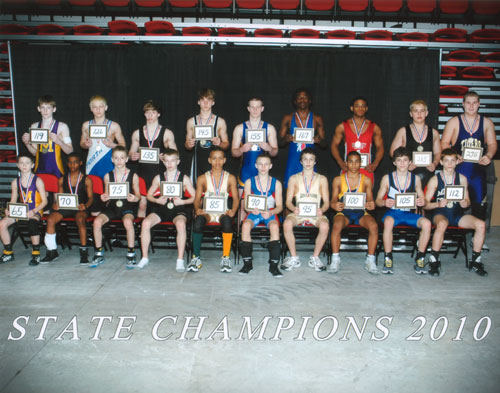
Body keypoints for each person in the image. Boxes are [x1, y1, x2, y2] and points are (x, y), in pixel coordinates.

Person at [424, 148, 487, 277]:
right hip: (440, 214)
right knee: (442, 224)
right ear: (441, 162)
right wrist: (437, 204)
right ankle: (434, 259)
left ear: (457, 162)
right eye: (446, 161)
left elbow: (468, 201)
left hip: (457, 215)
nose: (450, 164)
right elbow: (425, 205)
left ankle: (475, 261)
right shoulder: (435, 180)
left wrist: (466, 203)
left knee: (481, 224)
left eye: (453, 160)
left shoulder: (462, 179)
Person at [440, 91, 497, 221]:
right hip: (459, 170)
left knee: (479, 207)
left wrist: (488, 155)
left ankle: (477, 240)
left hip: (478, 171)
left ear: (479, 104)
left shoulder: (487, 123)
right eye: (468, 103)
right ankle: (451, 236)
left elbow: (493, 143)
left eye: (474, 103)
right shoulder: (454, 122)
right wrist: (454, 155)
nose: (471, 106)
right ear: (463, 104)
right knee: (453, 205)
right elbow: (443, 143)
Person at [375, 147, 431, 275]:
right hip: (393, 213)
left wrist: (423, 201)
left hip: (408, 213)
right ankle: (388, 258)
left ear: (410, 162)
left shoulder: (415, 178)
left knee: (427, 224)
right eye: (399, 160)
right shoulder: (387, 178)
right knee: (388, 222)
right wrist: (384, 202)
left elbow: (424, 199)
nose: (402, 163)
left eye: (405, 160)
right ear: (394, 162)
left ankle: (420, 258)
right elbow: (377, 200)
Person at [138, 148, 195, 271]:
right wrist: (156, 200)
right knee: (145, 223)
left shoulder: (184, 178)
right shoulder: (158, 178)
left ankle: (180, 260)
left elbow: (195, 197)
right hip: (161, 208)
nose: (169, 164)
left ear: (178, 162)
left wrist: (183, 201)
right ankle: (144, 257)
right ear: (163, 162)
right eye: (167, 161)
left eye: (172, 161)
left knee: (180, 224)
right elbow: (148, 195)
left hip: (178, 209)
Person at [188, 147, 239, 273]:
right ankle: (196, 258)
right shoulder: (202, 178)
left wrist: (233, 210)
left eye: (220, 158)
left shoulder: (231, 177)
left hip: (223, 211)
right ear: (209, 160)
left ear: (225, 160)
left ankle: (226, 257)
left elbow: (237, 198)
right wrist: (197, 209)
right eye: (214, 158)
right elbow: (197, 198)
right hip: (208, 212)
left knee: (227, 222)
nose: (217, 161)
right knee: (198, 221)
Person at [89, 146, 140, 268]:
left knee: (128, 222)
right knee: (97, 222)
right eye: (116, 158)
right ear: (112, 159)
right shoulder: (107, 176)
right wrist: (104, 198)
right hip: (112, 207)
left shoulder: (133, 175)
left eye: (122, 158)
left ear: (127, 159)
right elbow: (107, 196)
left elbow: (138, 196)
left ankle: (131, 253)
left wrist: (135, 198)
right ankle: (98, 252)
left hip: (127, 206)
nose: (119, 161)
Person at [330, 151, 379, 274]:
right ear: (346, 163)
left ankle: (370, 260)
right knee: (336, 226)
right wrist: (335, 205)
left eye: (356, 161)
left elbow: (371, 201)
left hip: (360, 213)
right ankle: (335, 259)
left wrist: (371, 204)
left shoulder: (366, 180)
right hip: (344, 213)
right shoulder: (338, 180)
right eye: (350, 161)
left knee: (374, 226)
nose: (353, 165)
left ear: (360, 163)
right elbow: (332, 201)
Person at [282, 148, 330, 272]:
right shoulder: (293, 178)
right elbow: (287, 201)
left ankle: (315, 257)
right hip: (299, 213)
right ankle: (293, 257)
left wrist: (322, 210)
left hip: (315, 213)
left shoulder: (322, 179)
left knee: (325, 226)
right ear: (301, 162)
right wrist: (293, 208)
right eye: (305, 159)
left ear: (315, 162)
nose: (308, 162)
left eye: (311, 159)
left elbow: (326, 202)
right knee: (287, 223)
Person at [41, 153, 94, 264]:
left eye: (75, 162)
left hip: (81, 207)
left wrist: (86, 205)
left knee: (80, 219)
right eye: (70, 162)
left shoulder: (87, 179)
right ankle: (52, 251)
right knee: (50, 219)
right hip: (66, 207)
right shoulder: (62, 179)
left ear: (80, 163)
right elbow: (59, 197)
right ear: (67, 164)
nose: (72, 164)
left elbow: (91, 198)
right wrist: (56, 204)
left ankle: (84, 251)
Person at [129, 100, 177, 217]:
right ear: (144, 114)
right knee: (142, 204)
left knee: (161, 206)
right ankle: (141, 233)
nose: (150, 116)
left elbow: (175, 154)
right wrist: (133, 156)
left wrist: (165, 156)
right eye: (147, 112)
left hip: (160, 175)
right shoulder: (137, 133)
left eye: (153, 112)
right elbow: (130, 153)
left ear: (158, 114)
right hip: (143, 174)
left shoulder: (167, 133)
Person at [239, 153, 283, 278]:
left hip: (269, 212)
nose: (263, 167)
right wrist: (251, 210)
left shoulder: (276, 183)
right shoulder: (249, 182)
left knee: (274, 226)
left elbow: (279, 206)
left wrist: (271, 212)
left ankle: (273, 266)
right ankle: (247, 263)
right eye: (260, 164)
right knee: (246, 225)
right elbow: (246, 205)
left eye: (266, 164)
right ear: (256, 165)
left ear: (270, 166)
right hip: (255, 212)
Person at [0, 155, 47, 266]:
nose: (24, 165)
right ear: (17, 165)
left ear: (32, 165)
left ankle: (36, 253)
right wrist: (8, 209)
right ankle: (8, 252)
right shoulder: (15, 182)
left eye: (27, 163)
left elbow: (45, 202)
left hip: (36, 209)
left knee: (32, 223)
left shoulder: (38, 180)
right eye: (21, 163)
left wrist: (34, 211)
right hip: (21, 210)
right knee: (2, 224)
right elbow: (13, 200)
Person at [279, 88, 326, 188]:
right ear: (295, 101)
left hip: (310, 162)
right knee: (290, 192)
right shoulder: (287, 118)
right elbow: (279, 143)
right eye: (299, 98)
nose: (302, 100)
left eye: (305, 97)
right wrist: (286, 140)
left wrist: (319, 141)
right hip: (293, 161)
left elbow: (325, 144)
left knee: (310, 191)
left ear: (309, 100)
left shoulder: (317, 119)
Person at [330, 96, 384, 183]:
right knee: (346, 196)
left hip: (366, 169)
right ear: (352, 108)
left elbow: (380, 147)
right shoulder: (342, 126)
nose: (360, 108)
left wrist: (375, 164)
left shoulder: (374, 127)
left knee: (366, 196)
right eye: (357, 106)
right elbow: (334, 145)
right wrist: (340, 162)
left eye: (363, 106)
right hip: (348, 170)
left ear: (366, 108)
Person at [390, 99, 441, 187]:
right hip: (408, 174)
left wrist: (435, 164)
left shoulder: (434, 132)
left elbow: (438, 153)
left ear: (426, 113)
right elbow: (393, 153)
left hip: (428, 174)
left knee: (425, 200)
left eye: (422, 111)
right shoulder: (403, 131)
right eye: (416, 111)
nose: (419, 114)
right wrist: (406, 164)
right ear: (411, 114)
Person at [231, 97, 278, 192]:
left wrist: (269, 148)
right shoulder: (239, 128)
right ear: (248, 108)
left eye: (258, 107)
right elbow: (233, 153)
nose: (255, 110)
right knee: (243, 205)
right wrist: (241, 149)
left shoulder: (269, 128)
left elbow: (275, 153)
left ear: (262, 108)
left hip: (263, 171)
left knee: (262, 204)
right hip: (246, 171)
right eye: (252, 107)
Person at [22, 95, 73, 178]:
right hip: (39, 169)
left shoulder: (62, 126)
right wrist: (27, 143)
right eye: (43, 107)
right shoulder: (34, 127)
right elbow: (35, 153)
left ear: (54, 109)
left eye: (48, 107)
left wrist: (59, 142)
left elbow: (70, 151)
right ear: (38, 109)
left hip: (56, 170)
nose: (45, 111)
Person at [185, 88, 229, 181]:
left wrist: (220, 143)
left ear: (213, 102)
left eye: (208, 100)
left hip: (215, 162)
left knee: (213, 190)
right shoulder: (191, 121)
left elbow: (226, 145)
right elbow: (187, 145)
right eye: (203, 100)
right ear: (198, 102)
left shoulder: (220, 121)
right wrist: (189, 144)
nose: (205, 103)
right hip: (197, 162)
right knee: (197, 190)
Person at [80, 95, 126, 180]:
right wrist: (86, 144)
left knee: (108, 190)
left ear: (106, 108)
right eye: (95, 107)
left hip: (109, 162)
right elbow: (82, 144)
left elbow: (123, 146)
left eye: (101, 106)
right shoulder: (86, 125)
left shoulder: (114, 126)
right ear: (91, 109)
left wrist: (112, 145)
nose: (98, 110)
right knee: (92, 190)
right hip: (92, 163)